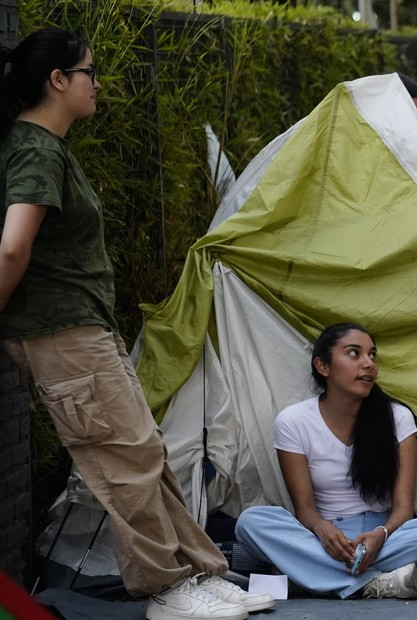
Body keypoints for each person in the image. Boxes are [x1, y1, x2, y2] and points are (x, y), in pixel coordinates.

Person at [0, 28, 273, 620]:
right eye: (89, 73)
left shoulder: (47, 147)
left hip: (83, 330)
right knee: (124, 465)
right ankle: (164, 592)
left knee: (144, 452)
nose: (97, 84)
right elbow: (12, 248)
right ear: (57, 80)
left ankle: (199, 572)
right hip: (61, 334)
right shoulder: (36, 150)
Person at [235, 323, 417, 599]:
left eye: (372, 355)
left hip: (383, 538)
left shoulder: (397, 417)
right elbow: (304, 509)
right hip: (327, 539)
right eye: (354, 354)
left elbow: (403, 508)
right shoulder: (293, 421)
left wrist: (381, 534)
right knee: (250, 523)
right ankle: (374, 583)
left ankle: (311, 577)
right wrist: (323, 529)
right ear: (323, 366)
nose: (368, 364)